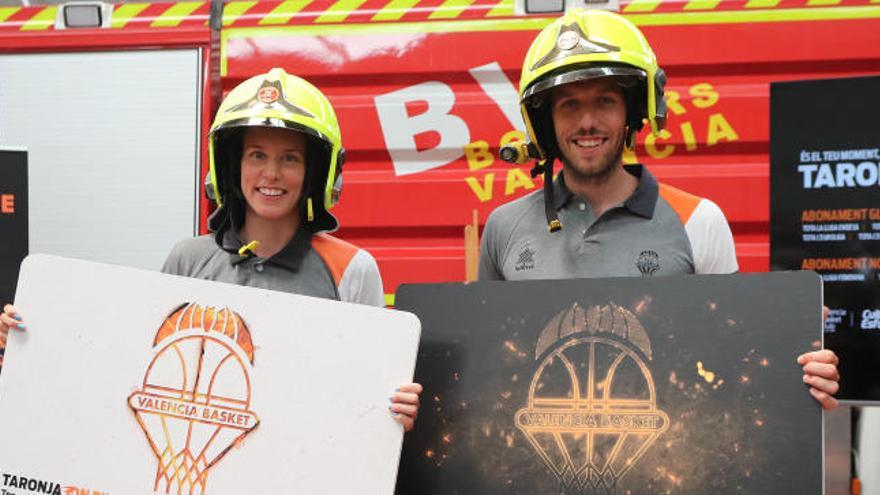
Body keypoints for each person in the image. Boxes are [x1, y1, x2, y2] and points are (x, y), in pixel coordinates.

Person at [0, 68, 422, 429]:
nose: (271, 174)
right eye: (257, 154)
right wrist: (31, 341)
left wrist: (397, 411)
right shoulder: (188, 259)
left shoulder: (351, 269)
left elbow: (370, 396)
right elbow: (133, 369)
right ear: (231, 164)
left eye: (290, 158)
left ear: (315, 171)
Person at [480, 9, 839, 409]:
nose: (587, 121)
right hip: (535, 459)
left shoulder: (698, 220)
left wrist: (800, 370)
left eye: (605, 101)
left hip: (673, 457)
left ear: (634, 110)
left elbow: (737, 354)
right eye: (568, 105)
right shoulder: (503, 228)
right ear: (544, 123)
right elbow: (488, 369)